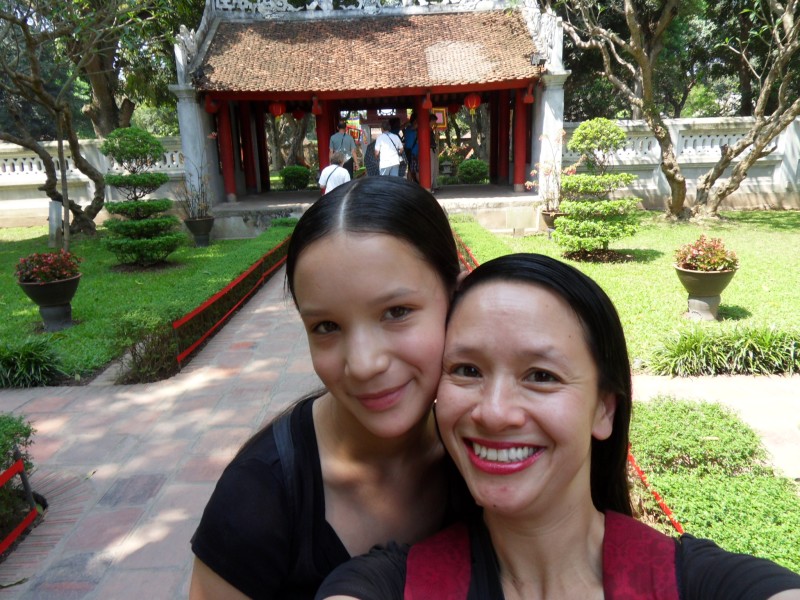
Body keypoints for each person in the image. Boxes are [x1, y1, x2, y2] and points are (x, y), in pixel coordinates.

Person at [316, 253, 800, 600]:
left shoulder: (699, 583)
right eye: (467, 370)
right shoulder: (390, 585)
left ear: (603, 410)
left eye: (541, 376)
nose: (494, 412)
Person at [189, 176, 462, 600]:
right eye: (327, 326)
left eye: (396, 312)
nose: (364, 365)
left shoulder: (489, 446)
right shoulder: (256, 499)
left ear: (456, 298)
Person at [402, 113, 419, 183]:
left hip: (409, 151)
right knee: (413, 170)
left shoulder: (407, 129)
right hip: (413, 152)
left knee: (410, 169)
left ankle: (409, 184)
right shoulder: (412, 129)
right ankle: (412, 184)